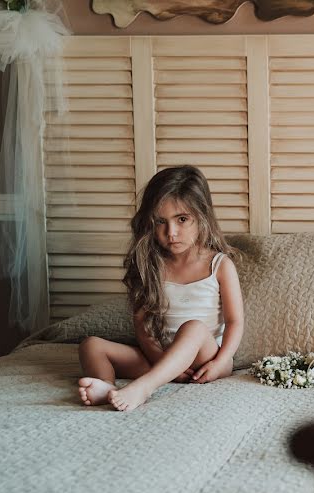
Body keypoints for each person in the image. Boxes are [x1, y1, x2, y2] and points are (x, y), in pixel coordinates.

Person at [77, 166, 244, 412]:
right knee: (91, 345)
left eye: (182, 219)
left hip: (205, 360)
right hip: (161, 358)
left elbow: (234, 321)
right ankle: (107, 387)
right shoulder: (149, 264)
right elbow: (142, 327)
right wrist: (159, 360)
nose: (171, 233)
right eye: (160, 222)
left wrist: (220, 362)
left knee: (194, 328)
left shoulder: (219, 265)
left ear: (202, 217)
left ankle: (145, 387)